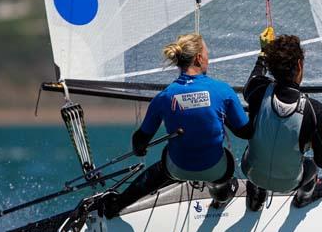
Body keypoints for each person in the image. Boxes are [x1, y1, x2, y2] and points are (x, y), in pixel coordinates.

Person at [103, 33, 252, 218]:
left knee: (161, 168)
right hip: (214, 168)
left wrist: (140, 149)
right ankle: (220, 197)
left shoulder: (164, 97)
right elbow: (245, 132)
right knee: (225, 163)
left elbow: (140, 141)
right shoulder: (222, 90)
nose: (208, 58)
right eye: (207, 54)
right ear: (198, 58)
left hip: (178, 169)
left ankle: (117, 205)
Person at [241, 34, 322, 211]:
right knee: (312, 166)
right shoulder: (315, 110)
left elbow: (255, 77)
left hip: (251, 171)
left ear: (270, 66)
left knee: (256, 141)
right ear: (299, 65)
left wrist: (263, 54)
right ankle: (304, 198)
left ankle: (256, 198)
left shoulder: (257, 89)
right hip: (288, 184)